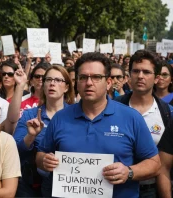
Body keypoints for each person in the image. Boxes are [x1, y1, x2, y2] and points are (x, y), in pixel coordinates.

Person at [36, 52, 161, 198]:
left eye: (96, 77)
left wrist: (129, 172)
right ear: (76, 82)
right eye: (83, 77)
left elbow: (155, 164)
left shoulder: (131, 118)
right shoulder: (60, 118)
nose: (89, 83)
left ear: (108, 82)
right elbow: (40, 155)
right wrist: (44, 161)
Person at [114, 50, 173, 197]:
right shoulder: (112, 107)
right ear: (129, 76)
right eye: (136, 71)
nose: (140, 76)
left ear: (156, 78)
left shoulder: (168, 113)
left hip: (151, 190)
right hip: (115, 188)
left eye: (146, 72)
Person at [13, 65, 74, 197]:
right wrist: (30, 136)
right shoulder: (30, 115)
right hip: (31, 186)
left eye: (58, 80)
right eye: (48, 79)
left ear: (67, 87)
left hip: (68, 185)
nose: (52, 83)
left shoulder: (76, 116)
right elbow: (15, 151)